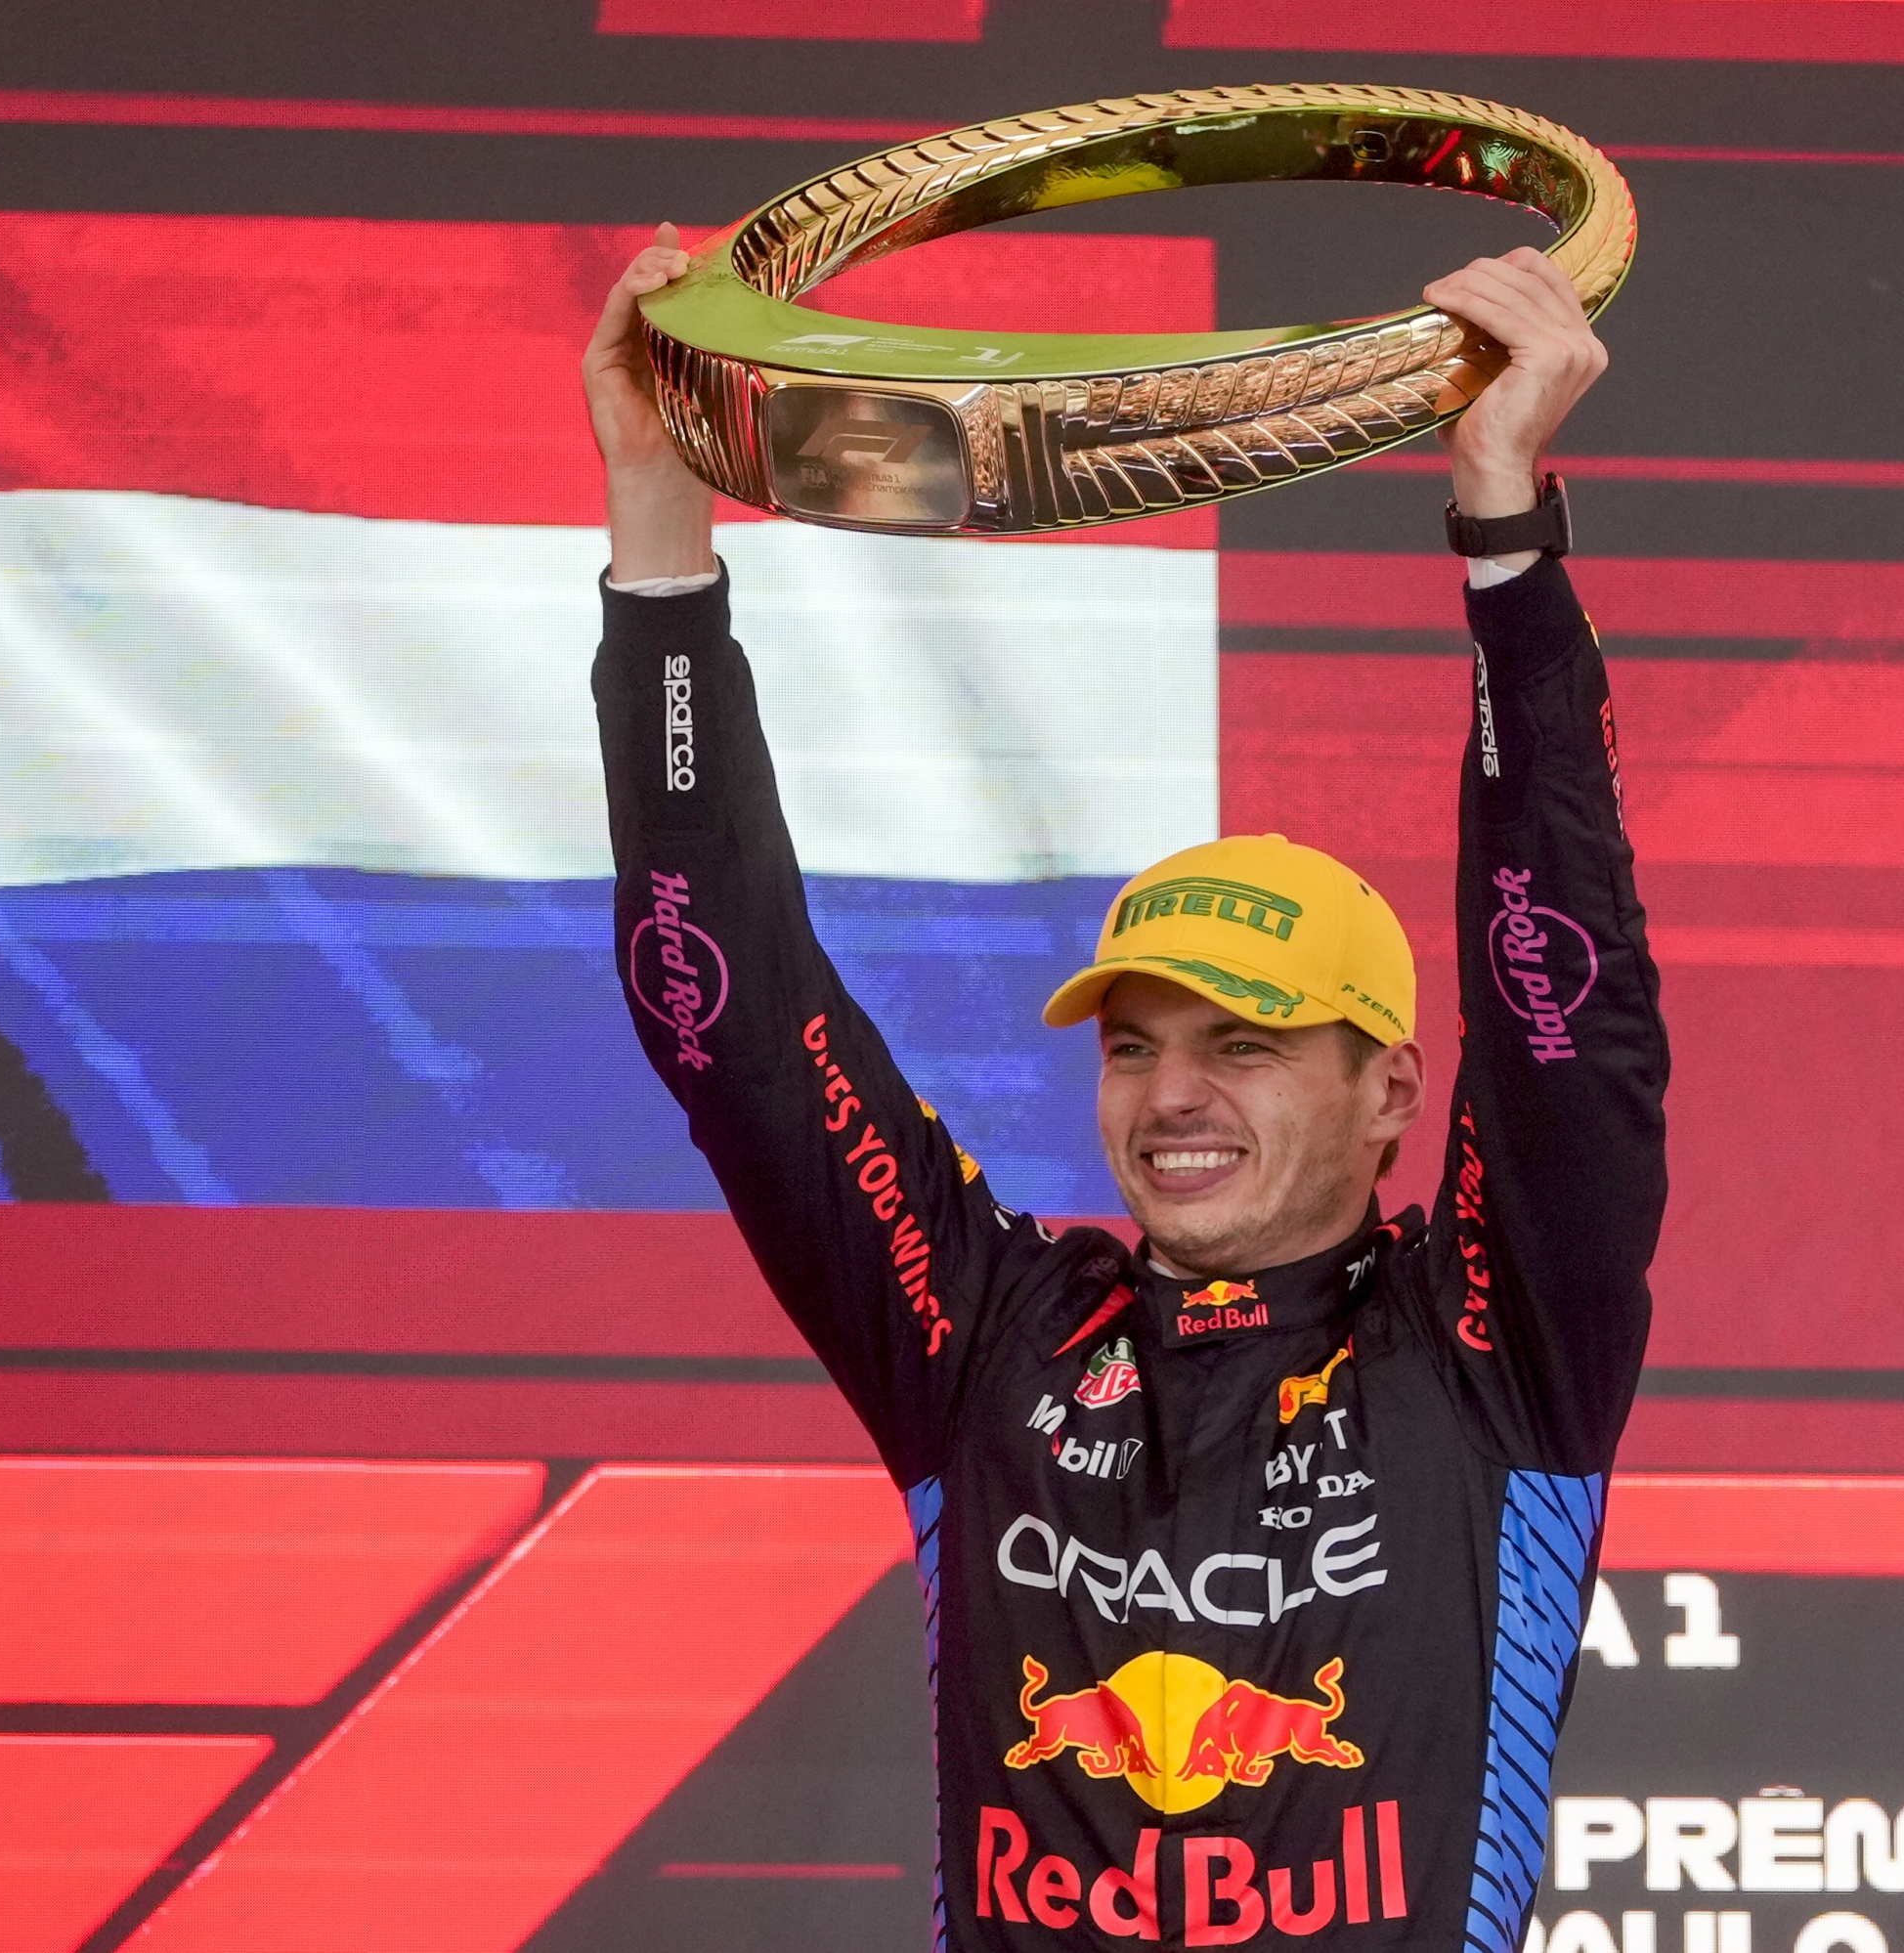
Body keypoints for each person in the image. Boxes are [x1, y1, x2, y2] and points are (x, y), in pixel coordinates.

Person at [585, 222, 1666, 1952]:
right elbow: (716, 1007)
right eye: (1134, 1039)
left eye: (1244, 1040)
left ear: (1391, 1088)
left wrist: (1507, 537)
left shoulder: (1490, 1346)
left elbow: (1569, 1017)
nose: (1173, 1093)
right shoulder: (989, 1330)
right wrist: (658, 526)